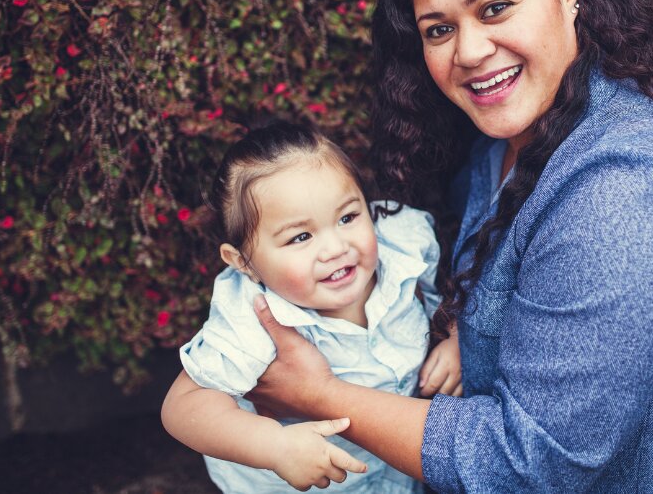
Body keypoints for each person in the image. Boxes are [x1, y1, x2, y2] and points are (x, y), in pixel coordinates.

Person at [245, 0, 653, 492]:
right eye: (438, 29)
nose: (470, 50)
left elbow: (527, 468)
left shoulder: (627, 196)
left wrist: (316, 393)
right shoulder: (507, 137)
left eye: (494, 8)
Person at [160, 120, 462, 493]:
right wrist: (274, 446)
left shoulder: (402, 242)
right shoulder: (255, 316)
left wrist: (455, 336)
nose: (336, 247)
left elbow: (455, 283)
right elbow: (183, 406)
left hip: (394, 474)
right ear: (243, 262)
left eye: (347, 217)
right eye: (300, 236)